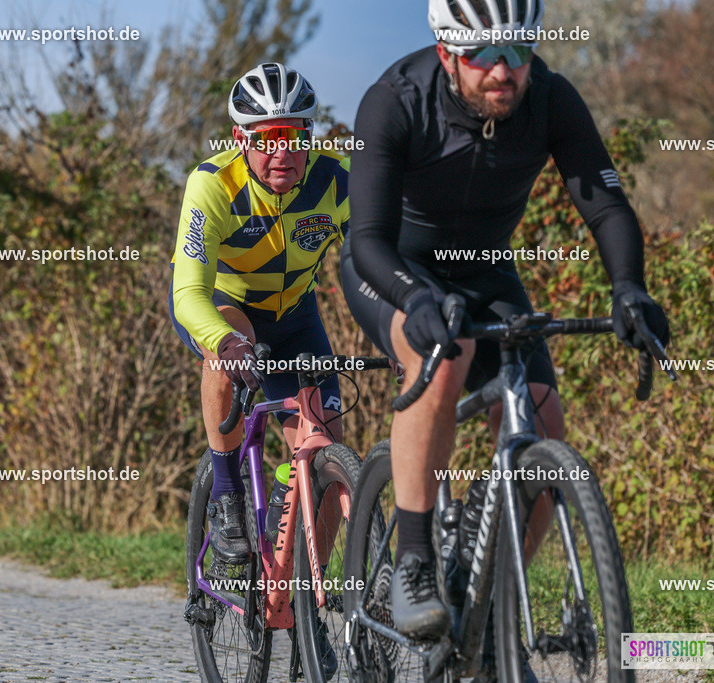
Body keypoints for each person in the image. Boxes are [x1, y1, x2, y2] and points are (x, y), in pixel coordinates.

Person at [341, 0, 670, 649]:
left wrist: (629, 287)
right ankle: (414, 560)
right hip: (393, 266)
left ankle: (490, 601)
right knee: (441, 359)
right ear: (446, 54)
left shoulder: (549, 97)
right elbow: (368, 238)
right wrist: (416, 300)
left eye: (517, 51)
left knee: (545, 425)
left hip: (486, 271)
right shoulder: (395, 100)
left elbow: (606, 207)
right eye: (484, 54)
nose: (504, 70)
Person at [170, 63, 350, 567]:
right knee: (233, 342)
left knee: (324, 447)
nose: (282, 153)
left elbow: (375, 262)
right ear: (239, 137)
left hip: (294, 314)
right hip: (222, 305)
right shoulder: (213, 185)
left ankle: (303, 599)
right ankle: (226, 493)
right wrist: (224, 342)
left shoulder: (334, 180)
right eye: (267, 138)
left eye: (294, 136)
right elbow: (188, 293)